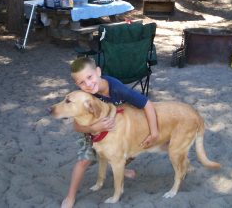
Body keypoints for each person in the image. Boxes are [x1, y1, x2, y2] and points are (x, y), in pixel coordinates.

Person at [61, 57, 159, 208]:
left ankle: (121, 169)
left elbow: (147, 104)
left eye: (90, 77)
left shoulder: (117, 89)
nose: (88, 84)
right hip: (91, 130)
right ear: (77, 84)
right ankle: (70, 196)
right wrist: (93, 129)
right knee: (83, 160)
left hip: (115, 129)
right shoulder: (86, 96)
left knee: (125, 150)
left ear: (98, 72)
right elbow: (76, 126)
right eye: (82, 82)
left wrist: (154, 133)